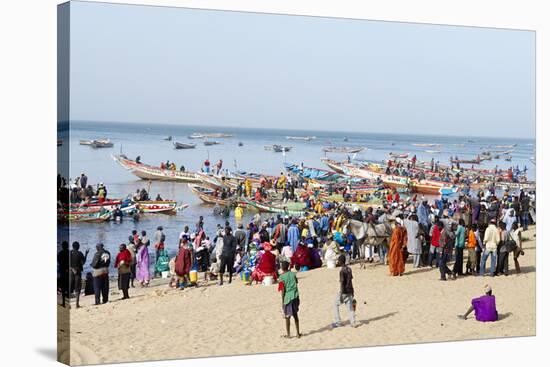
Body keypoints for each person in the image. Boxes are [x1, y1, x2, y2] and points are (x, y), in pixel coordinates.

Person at [278, 261, 301, 338]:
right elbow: (296, 282)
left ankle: (288, 334)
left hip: (288, 298)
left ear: (281, 268)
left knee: (287, 317)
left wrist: (282, 301)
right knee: (295, 315)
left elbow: (282, 290)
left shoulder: (281, 277)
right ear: (288, 267)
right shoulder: (293, 274)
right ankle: (298, 333)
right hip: (295, 296)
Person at [333, 254, 356, 328]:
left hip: (344, 291)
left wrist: (341, 294)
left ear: (340, 262)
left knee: (335, 304)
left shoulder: (342, 271)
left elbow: (342, 283)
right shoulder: (349, 269)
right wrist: (352, 291)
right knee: (350, 307)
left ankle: (337, 322)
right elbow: (350, 281)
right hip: (350, 290)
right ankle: (353, 322)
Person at [69, 241, 89, 308]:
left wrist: (71, 269)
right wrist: (86, 254)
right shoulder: (80, 253)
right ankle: (77, 304)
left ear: (72, 246)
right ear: (78, 247)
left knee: (69, 288)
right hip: (77, 272)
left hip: (71, 272)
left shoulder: (69, 253)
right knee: (77, 288)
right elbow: (83, 263)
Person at [57, 241, 70, 307]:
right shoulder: (69, 253)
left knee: (63, 287)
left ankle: (64, 303)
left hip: (62, 271)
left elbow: (58, 261)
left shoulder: (60, 253)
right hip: (68, 271)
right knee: (68, 287)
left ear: (62, 246)